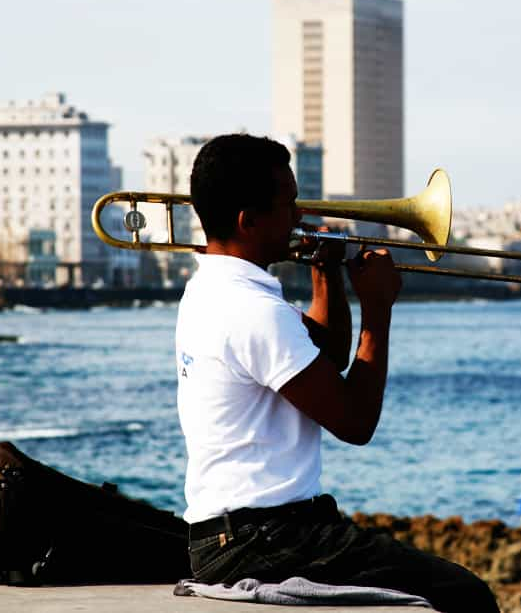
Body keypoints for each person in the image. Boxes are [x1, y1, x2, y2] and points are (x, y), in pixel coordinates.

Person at [174, 134, 498, 612]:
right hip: (260, 537)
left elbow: (325, 357)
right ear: (249, 221)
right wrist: (378, 310)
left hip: (230, 534)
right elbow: (356, 422)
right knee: (464, 595)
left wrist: (325, 274)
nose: (300, 216)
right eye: (289, 204)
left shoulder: (209, 292)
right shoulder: (252, 311)